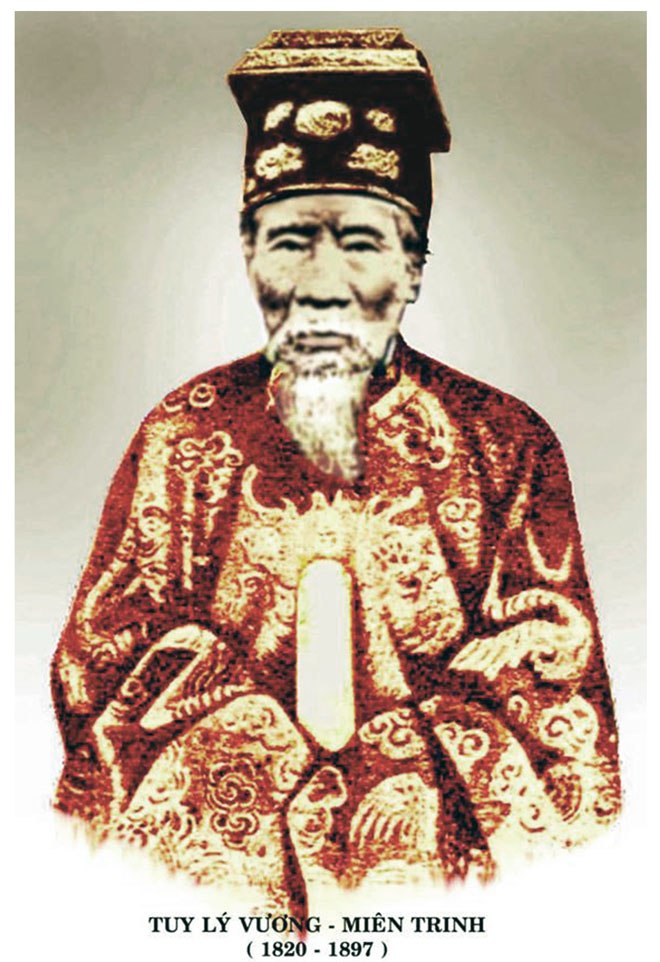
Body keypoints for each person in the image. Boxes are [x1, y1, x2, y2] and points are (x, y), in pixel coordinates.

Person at [51, 29, 620, 914]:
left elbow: (561, 701)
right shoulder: (184, 438)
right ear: (248, 257)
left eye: (360, 243)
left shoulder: (505, 443)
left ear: (414, 266)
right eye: (287, 241)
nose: (322, 283)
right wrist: (255, 734)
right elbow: (98, 673)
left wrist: (394, 762)